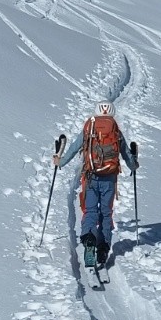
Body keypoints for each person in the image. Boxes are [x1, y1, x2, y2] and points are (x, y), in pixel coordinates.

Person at [54, 101, 138, 266]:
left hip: (91, 177)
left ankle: (89, 240)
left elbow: (73, 148)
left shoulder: (89, 128)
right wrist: (134, 165)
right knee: (106, 213)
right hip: (110, 178)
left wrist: (60, 162)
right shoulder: (115, 130)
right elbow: (127, 154)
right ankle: (103, 248)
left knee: (90, 211)